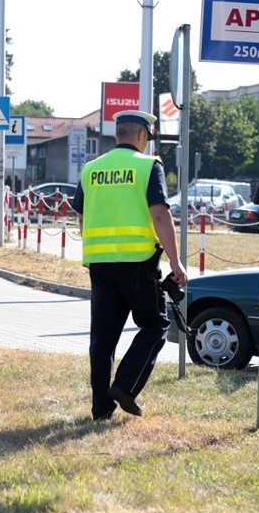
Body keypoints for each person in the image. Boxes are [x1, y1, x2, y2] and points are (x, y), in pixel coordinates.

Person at [71, 110, 187, 421]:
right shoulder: (148, 166)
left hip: (100, 264)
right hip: (137, 262)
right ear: (140, 136)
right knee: (155, 325)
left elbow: (81, 218)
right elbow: (160, 215)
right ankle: (124, 386)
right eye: (147, 138)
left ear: (118, 134)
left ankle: (100, 409)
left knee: (104, 338)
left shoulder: (91, 169)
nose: (148, 144)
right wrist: (176, 261)